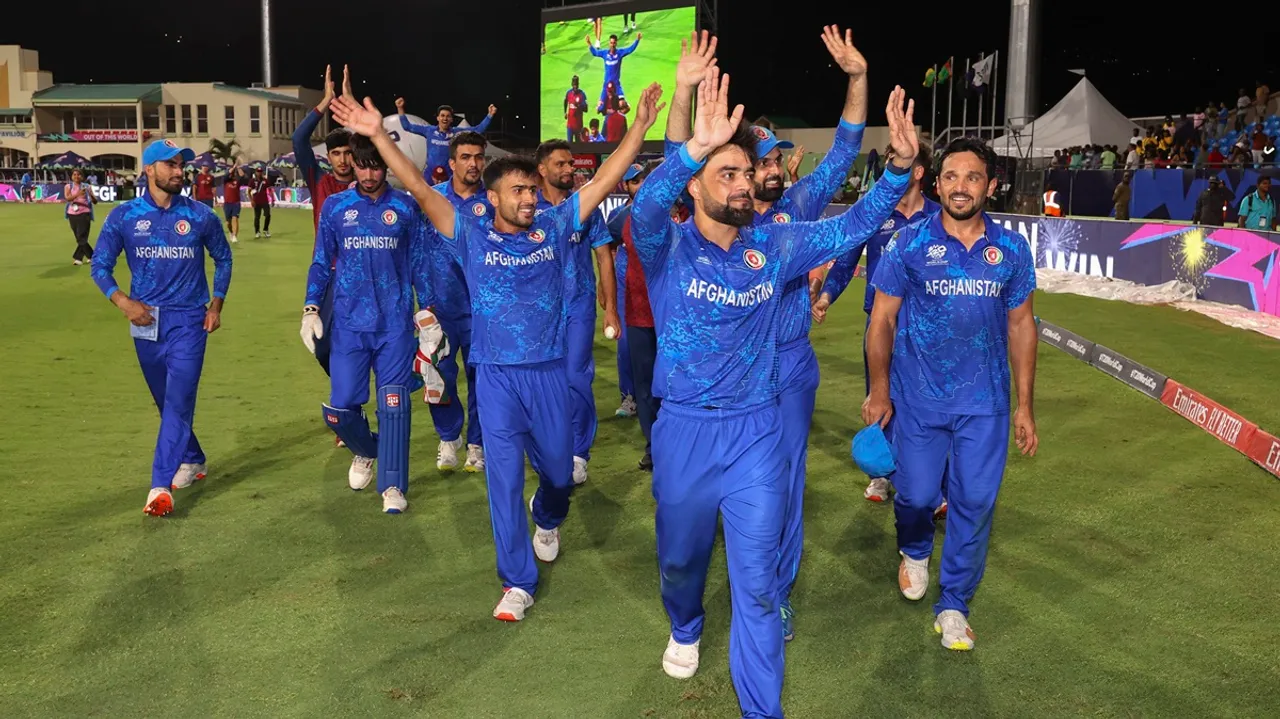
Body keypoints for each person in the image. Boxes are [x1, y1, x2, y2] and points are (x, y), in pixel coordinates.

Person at [630, 67, 916, 717]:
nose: (738, 183)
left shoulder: (776, 244)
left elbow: (852, 228)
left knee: (757, 588)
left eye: (743, 172)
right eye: (722, 172)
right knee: (680, 561)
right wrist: (692, 146)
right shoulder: (666, 244)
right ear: (696, 182)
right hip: (682, 430)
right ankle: (686, 622)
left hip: (756, 429)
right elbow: (647, 203)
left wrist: (897, 172)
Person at [327, 78, 663, 622]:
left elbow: (604, 179)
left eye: (533, 190)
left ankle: (547, 515)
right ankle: (516, 582)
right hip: (498, 378)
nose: (530, 198)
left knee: (557, 475)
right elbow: (418, 185)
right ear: (494, 198)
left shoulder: (556, 226)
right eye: (519, 191)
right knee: (502, 481)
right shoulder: (469, 233)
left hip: (550, 374)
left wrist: (641, 127)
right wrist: (378, 136)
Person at [864, 136, 1039, 652]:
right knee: (916, 495)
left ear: (990, 185)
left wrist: (1025, 405)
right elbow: (882, 320)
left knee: (975, 502)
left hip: (985, 405)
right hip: (918, 399)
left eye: (973, 177)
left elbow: (1023, 325)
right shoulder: (910, 243)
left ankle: (955, 604)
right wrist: (879, 391)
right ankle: (915, 550)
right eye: (952, 177)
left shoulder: (1010, 249)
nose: (961, 187)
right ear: (936, 183)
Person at [90, 139, 232, 517]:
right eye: (169, 165)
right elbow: (99, 266)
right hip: (145, 321)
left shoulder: (201, 215)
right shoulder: (123, 216)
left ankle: (159, 485)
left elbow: (224, 258)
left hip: (189, 320)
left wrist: (216, 303)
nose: (178, 171)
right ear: (149, 170)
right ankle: (194, 458)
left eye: (180, 165)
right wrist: (123, 302)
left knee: (177, 401)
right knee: (164, 399)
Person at [300, 133, 435, 515]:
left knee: (394, 406)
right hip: (348, 325)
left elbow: (421, 264)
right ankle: (367, 451)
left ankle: (393, 486)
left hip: (394, 324)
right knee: (340, 409)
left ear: (386, 165)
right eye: (362, 164)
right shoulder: (335, 207)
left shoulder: (407, 208)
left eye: (377, 164)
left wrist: (427, 315)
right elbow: (320, 260)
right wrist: (311, 308)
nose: (370, 172)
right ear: (352, 166)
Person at [816, 141, 941, 507]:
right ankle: (881, 475)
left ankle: (930, 482)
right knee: (880, 396)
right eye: (890, 162)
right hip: (880, 325)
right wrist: (826, 297)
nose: (892, 169)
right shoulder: (874, 213)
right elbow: (845, 261)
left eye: (900, 163)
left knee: (926, 406)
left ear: (917, 172)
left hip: (927, 329)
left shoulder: (938, 217)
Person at [534, 139, 620, 485]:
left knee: (575, 378)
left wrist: (611, 308)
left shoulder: (585, 208)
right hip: (539, 313)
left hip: (579, 307)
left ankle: (578, 453)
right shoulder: (528, 206)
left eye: (571, 164)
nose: (570, 169)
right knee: (544, 383)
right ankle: (550, 446)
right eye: (561, 164)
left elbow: (604, 256)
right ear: (542, 169)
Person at [425, 131, 490, 473]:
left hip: (482, 309)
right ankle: (449, 437)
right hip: (442, 309)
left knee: (483, 380)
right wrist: (424, 302)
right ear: (451, 162)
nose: (473, 163)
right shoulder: (433, 199)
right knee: (440, 377)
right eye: (465, 157)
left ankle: (477, 444)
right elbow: (419, 251)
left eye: (478, 156)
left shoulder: (493, 202)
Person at [293, 65, 358, 393]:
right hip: (329, 275)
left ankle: (348, 408)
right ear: (328, 157)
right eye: (336, 153)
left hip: (364, 275)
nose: (343, 159)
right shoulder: (320, 181)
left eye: (348, 152)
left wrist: (351, 104)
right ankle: (347, 396)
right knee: (323, 346)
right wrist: (326, 101)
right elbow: (298, 139)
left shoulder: (367, 185)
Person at [607, 161, 658, 469]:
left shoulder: (673, 214)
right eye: (634, 181)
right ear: (625, 186)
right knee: (638, 368)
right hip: (635, 305)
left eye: (644, 180)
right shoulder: (619, 219)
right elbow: (605, 248)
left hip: (668, 308)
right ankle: (652, 441)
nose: (639, 185)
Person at [395, 99, 496, 182]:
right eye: (442, 115)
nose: (445, 118)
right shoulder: (428, 130)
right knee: (424, 202)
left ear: (452, 119)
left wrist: (490, 115)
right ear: (438, 118)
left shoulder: (456, 133)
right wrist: (400, 108)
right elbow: (407, 126)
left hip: (449, 175)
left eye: (448, 116)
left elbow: (477, 130)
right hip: (429, 175)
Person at [587, 32, 641, 112]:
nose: (612, 45)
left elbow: (630, 49)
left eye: (614, 43)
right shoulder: (604, 53)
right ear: (609, 43)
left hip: (616, 85)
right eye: (611, 43)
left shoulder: (620, 53)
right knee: (599, 109)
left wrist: (637, 40)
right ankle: (611, 111)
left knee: (623, 105)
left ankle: (617, 112)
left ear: (616, 43)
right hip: (606, 86)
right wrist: (589, 43)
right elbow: (595, 53)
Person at [64, 168, 97, 265]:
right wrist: (78, 194)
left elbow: (95, 201)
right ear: (71, 176)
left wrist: (91, 195)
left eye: (78, 174)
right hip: (72, 213)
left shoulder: (86, 186)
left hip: (84, 212)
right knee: (79, 237)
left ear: (82, 176)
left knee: (81, 237)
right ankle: (89, 256)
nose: (76, 176)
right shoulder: (68, 186)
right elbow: (67, 198)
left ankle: (81, 258)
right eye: (74, 174)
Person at [250, 169, 273, 238]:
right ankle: (257, 232)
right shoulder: (252, 181)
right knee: (257, 217)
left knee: (268, 215)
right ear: (255, 172)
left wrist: (273, 199)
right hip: (256, 201)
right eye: (258, 172)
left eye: (260, 172)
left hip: (265, 201)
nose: (259, 173)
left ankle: (265, 229)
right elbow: (248, 191)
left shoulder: (265, 180)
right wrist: (251, 200)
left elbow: (270, 190)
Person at [564, 75, 588, 142]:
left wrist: (578, 106)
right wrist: (565, 112)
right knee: (569, 146)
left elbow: (586, 109)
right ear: (572, 84)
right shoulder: (568, 93)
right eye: (574, 84)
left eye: (576, 84)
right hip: (570, 126)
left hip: (578, 126)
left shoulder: (582, 94)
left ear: (578, 84)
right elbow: (565, 101)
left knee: (578, 146)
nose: (575, 86)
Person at [222, 166, 242, 243]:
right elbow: (226, 175)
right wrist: (233, 167)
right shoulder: (225, 181)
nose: (230, 174)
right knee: (228, 223)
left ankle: (234, 236)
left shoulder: (237, 181)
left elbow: (243, 176)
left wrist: (239, 167)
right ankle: (231, 232)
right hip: (227, 204)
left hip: (236, 203)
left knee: (235, 218)